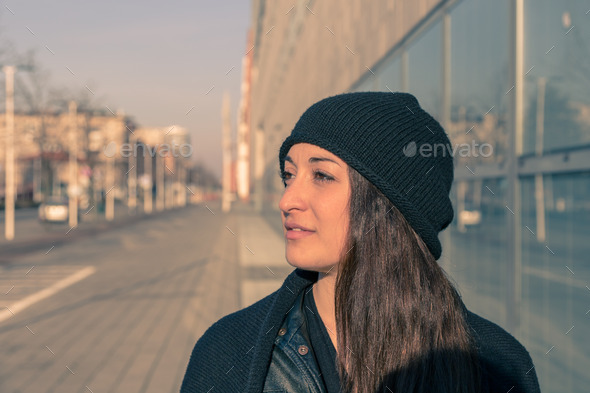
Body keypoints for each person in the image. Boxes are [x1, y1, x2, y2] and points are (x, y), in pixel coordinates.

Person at [180, 92, 541, 393]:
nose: (287, 199)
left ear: (389, 206)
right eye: (289, 175)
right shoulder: (227, 353)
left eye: (321, 175)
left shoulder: (496, 364)